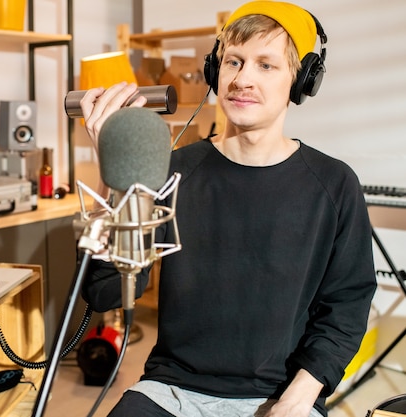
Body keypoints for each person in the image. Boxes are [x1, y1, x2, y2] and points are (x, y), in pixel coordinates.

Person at [78, 2, 377, 416]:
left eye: (265, 65)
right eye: (233, 61)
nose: (242, 79)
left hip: (283, 393)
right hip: (172, 388)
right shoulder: (173, 171)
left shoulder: (334, 184)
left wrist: (298, 398)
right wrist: (114, 170)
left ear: (301, 80)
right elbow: (106, 289)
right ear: (215, 71)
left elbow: (346, 306)